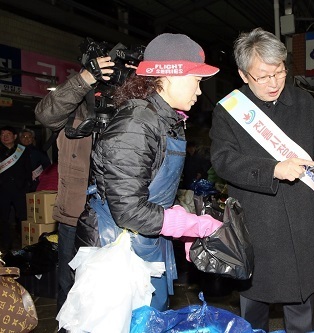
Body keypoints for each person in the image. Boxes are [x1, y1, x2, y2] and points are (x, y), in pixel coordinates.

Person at [74, 33, 223, 312]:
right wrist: (190, 226)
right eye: (197, 81)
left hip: (146, 241)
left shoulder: (166, 120)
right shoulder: (136, 123)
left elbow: (156, 188)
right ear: (170, 76)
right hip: (117, 249)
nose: (200, 91)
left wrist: (183, 227)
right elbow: (128, 209)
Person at [210, 27, 314, 333]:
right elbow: (223, 161)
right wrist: (272, 169)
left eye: (279, 72)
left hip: (301, 222)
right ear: (244, 75)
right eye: (263, 76)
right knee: (253, 308)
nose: (274, 83)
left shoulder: (304, 102)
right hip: (258, 224)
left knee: (302, 302)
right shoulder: (230, 110)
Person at [35, 55, 118, 319]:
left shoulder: (128, 107)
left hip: (119, 213)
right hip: (75, 212)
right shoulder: (75, 109)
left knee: (114, 288)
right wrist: (84, 79)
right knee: (69, 284)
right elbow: (45, 114)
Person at [0, 126, 32, 251]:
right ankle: (6, 244)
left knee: (22, 217)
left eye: (8, 134)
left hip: (20, 189)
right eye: (2, 134)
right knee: (3, 218)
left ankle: (25, 243)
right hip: (3, 190)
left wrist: (27, 186)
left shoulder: (22, 151)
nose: (5, 136)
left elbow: (28, 170)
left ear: (14, 136)